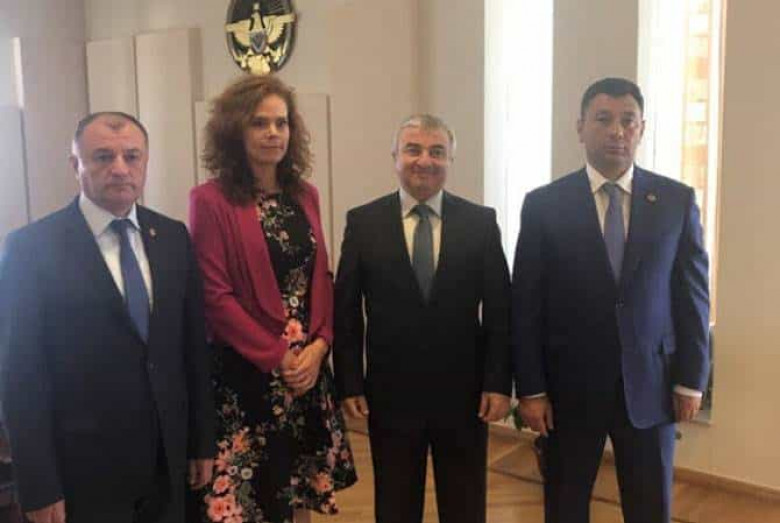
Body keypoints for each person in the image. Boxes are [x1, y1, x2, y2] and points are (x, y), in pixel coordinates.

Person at [0, 112, 216, 523]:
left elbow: (193, 350)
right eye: (103, 157)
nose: (120, 168)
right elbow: (19, 376)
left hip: (167, 462)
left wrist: (202, 441)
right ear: (75, 164)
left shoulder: (172, 238)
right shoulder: (30, 250)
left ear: (145, 162)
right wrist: (39, 484)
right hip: (81, 472)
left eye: (132, 156)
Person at [512, 77, 711, 523]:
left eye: (628, 121)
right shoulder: (544, 205)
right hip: (568, 390)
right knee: (565, 505)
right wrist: (531, 389)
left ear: (642, 129)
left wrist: (691, 380)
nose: (616, 131)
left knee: (650, 507)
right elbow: (526, 305)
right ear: (580, 127)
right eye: (603, 119)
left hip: (651, 386)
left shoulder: (676, 201)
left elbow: (693, 297)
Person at [188, 74, 356, 523]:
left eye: (281, 123)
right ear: (234, 130)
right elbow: (214, 295)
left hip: (306, 372)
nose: (273, 133)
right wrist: (278, 355)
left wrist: (320, 346)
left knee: (298, 492)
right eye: (259, 123)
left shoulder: (305, 195)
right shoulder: (210, 201)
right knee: (249, 503)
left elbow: (320, 276)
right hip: (248, 373)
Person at [333, 114, 512, 523]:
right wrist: (350, 381)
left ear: (450, 160)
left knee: (465, 506)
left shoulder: (481, 223)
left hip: (465, 398)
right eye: (413, 149)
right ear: (395, 156)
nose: (425, 160)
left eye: (437, 151)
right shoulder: (363, 223)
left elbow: (500, 311)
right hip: (391, 396)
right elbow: (346, 311)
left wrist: (498, 382)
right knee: (395, 505)